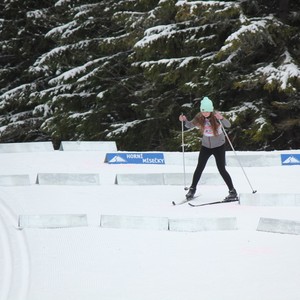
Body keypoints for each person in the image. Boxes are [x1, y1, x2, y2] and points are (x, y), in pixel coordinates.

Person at [179, 96, 237, 201]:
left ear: (211, 110)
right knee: (199, 167)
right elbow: (189, 126)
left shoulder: (216, 116)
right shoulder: (199, 117)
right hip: (206, 146)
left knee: (221, 169)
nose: (205, 113)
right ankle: (192, 189)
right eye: (203, 111)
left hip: (218, 146)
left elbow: (228, 125)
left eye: (207, 111)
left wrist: (222, 118)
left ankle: (232, 191)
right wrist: (184, 120)